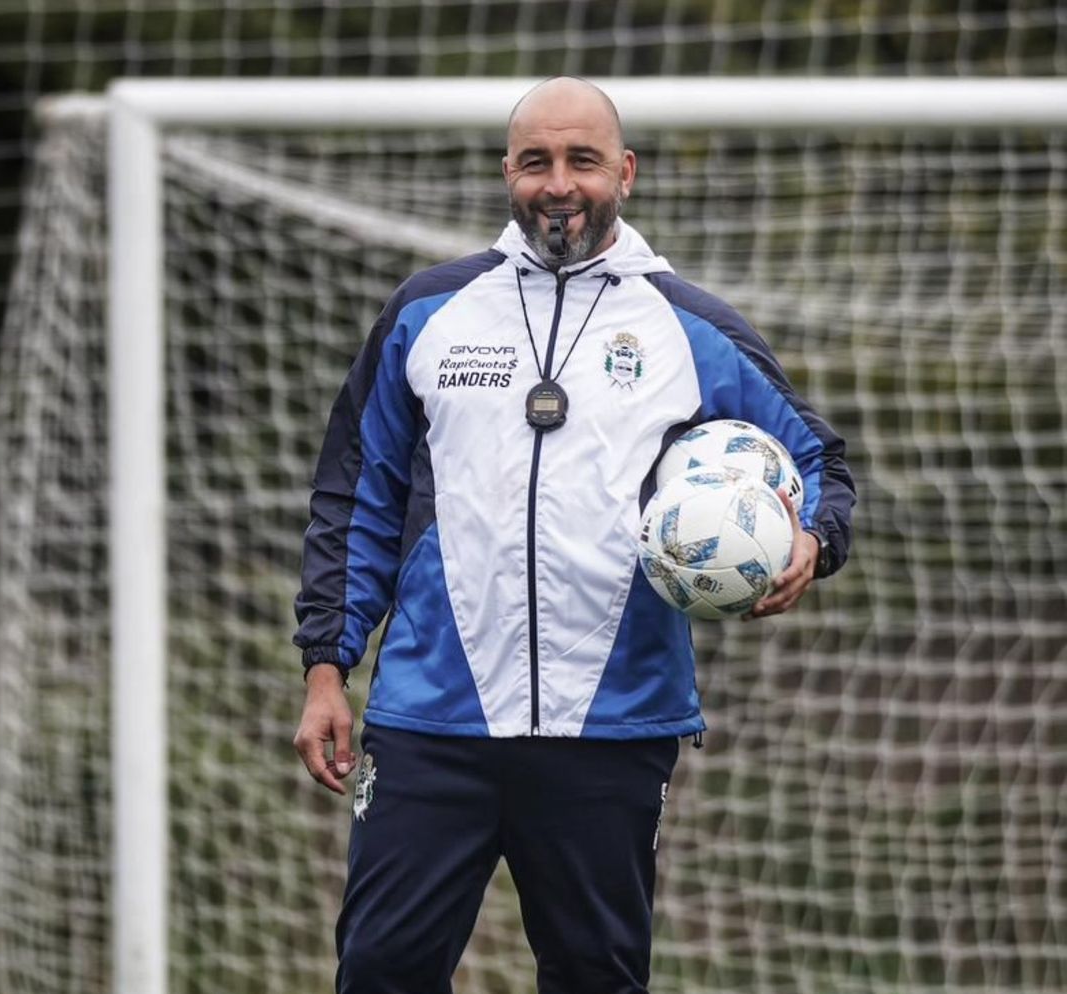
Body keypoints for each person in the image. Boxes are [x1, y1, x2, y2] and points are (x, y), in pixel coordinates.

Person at [291, 76, 855, 994]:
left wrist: (812, 542)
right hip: (431, 722)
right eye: (537, 161)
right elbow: (358, 497)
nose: (560, 184)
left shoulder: (691, 326)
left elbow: (822, 463)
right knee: (380, 974)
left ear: (624, 172)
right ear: (507, 173)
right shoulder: (428, 313)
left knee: (597, 981)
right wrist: (326, 666)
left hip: (613, 728)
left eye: (583, 160)